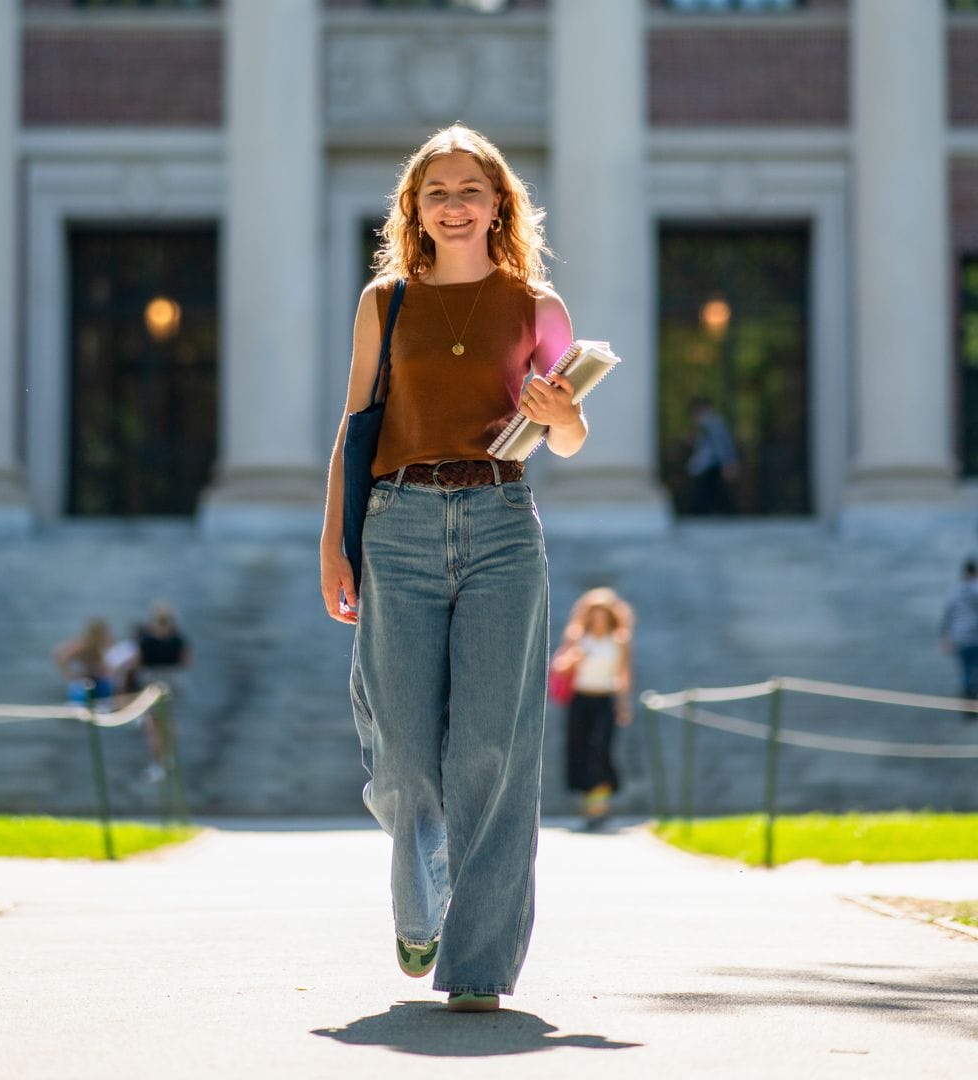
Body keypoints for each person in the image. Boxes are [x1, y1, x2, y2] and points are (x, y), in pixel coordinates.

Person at [319, 124, 588, 1013]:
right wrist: (335, 544)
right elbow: (357, 426)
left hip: (502, 521)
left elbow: (574, 437)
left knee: (492, 750)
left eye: (471, 186)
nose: (456, 202)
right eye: (437, 191)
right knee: (400, 749)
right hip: (397, 522)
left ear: (499, 201)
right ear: (416, 210)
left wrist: (556, 412)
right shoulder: (384, 301)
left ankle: (477, 968)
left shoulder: (536, 306)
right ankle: (420, 881)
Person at [552, 588, 634, 828]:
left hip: (604, 699)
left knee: (600, 751)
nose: (598, 621)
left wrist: (624, 704)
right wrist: (574, 659)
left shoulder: (619, 641)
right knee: (580, 752)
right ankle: (590, 808)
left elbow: (624, 674)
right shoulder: (577, 638)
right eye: (594, 616)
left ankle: (600, 807)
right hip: (580, 700)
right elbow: (559, 667)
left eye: (603, 616)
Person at [134, 601, 191, 781]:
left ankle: (159, 762)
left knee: (153, 727)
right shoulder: (179, 639)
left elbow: (138, 663)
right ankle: (167, 757)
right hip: (174, 681)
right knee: (168, 722)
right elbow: (185, 662)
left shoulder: (146, 640)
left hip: (153, 682)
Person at [687, 396, 739, 514]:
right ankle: (728, 511)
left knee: (708, 491)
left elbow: (720, 445)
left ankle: (702, 512)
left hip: (711, 464)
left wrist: (727, 463)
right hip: (711, 464)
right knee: (714, 490)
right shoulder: (712, 423)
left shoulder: (712, 423)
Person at [940, 559, 978, 719]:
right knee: (974, 671)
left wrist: (945, 638)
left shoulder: (955, 591)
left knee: (965, 672)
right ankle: (972, 705)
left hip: (960, 638)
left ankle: (967, 708)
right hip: (975, 637)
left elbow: (948, 616)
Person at [53, 617, 115, 706]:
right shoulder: (83, 644)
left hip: (98, 679)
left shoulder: (103, 643)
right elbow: (60, 655)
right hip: (85, 679)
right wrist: (70, 676)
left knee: (105, 695)